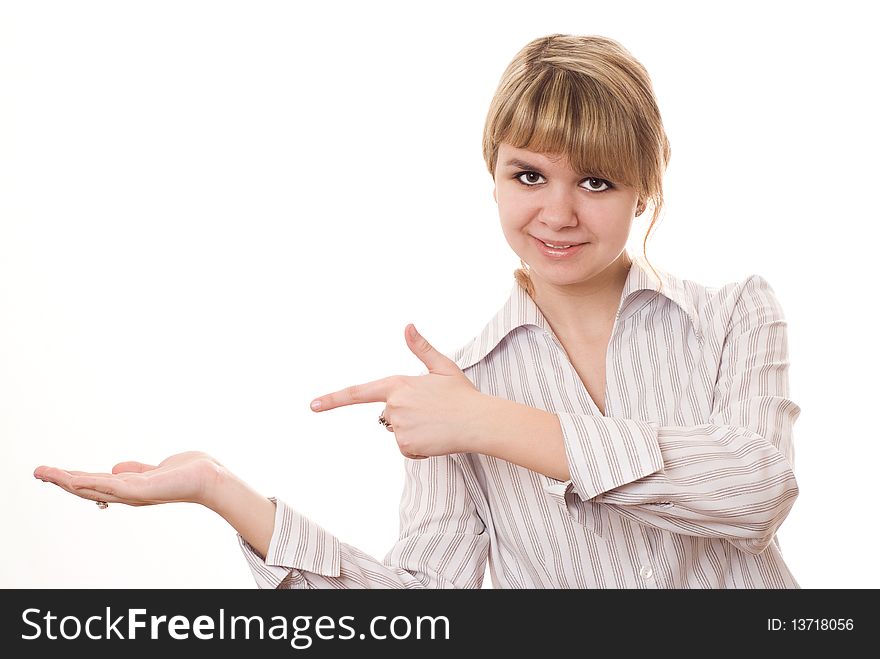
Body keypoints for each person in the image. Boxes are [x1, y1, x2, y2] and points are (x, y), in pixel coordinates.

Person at [33, 33, 801, 588]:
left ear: (646, 187)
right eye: (528, 175)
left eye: (596, 181)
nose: (558, 213)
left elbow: (756, 490)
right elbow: (421, 614)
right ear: (493, 175)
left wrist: (493, 424)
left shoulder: (734, 314)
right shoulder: (456, 388)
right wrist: (222, 491)